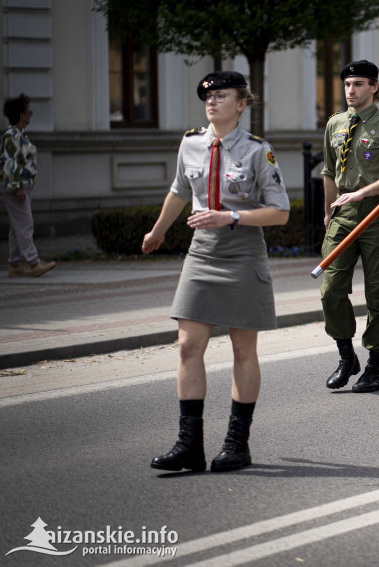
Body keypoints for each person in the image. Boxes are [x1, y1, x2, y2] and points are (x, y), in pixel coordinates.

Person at [144, 71, 289, 473]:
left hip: (243, 255)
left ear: (242, 104)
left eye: (222, 96)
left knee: (243, 349)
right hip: (201, 255)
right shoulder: (190, 143)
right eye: (208, 96)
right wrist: (158, 230)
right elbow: (178, 190)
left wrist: (230, 217)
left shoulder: (260, 151)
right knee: (188, 346)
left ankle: (236, 445)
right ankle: (190, 446)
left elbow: (280, 212)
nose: (211, 102)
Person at [319, 60, 379, 393]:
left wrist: (362, 193)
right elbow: (328, 171)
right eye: (347, 85)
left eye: (358, 84)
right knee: (331, 289)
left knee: (377, 295)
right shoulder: (336, 124)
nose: (351, 91)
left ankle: (375, 366)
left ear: (373, 87)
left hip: (377, 214)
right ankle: (346, 355)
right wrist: (328, 213)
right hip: (342, 214)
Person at [0, 94, 55, 277]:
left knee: (17, 226)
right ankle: (34, 262)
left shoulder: (18, 134)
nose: (30, 115)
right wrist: (17, 187)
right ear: (22, 115)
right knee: (25, 223)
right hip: (16, 187)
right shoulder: (12, 135)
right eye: (29, 111)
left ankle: (15, 265)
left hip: (21, 186)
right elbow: (10, 162)